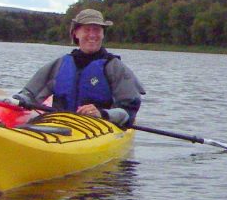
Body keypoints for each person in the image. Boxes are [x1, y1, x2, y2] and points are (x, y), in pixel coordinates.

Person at [14, 8, 145, 127]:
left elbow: (128, 110)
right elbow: (29, 94)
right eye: (87, 30)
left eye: (97, 30)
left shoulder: (115, 68)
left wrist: (102, 114)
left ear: (103, 34)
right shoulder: (59, 65)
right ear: (76, 33)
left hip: (99, 128)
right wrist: (19, 100)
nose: (92, 35)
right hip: (59, 125)